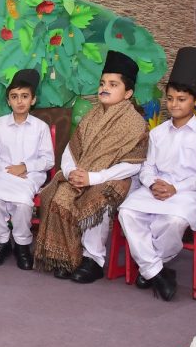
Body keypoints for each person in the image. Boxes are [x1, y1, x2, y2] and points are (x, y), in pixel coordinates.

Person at [34, 50, 148, 282]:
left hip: (117, 180)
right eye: (102, 83)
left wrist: (93, 178)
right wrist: (71, 172)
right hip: (84, 174)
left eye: (113, 85)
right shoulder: (91, 116)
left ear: (128, 93)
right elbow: (71, 150)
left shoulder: (135, 123)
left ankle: (93, 260)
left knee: (98, 199)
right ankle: (66, 257)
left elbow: (132, 164)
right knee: (59, 195)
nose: (104, 88)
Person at [118, 47, 196, 301]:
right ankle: (157, 272)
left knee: (173, 221)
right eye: (171, 98)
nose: (174, 104)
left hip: (190, 193)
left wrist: (177, 188)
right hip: (157, 189)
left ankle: (150, 268)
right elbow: (147, 167)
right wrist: (152, 184)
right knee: (127, 212)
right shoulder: (158, 133)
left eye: (181, 99)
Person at [0, 69, 54, 270]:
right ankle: (2, 241)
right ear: (8, 101)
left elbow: (48, 160)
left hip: (28, 176)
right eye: (14, 97)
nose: (19, 101)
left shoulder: (40, 127)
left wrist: (25, 167)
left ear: (33, 100)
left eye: (24, 96)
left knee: (23, 204)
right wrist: (7, 169)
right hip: (3, 175)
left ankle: (22, 245)